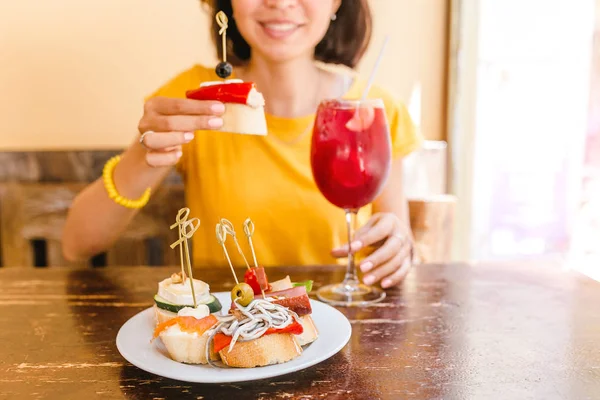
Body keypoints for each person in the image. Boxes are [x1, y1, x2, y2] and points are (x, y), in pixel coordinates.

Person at [62, 0, 423, 289]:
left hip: (344, 334)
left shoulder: (376, 111)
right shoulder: (195, 99)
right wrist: (145, 155)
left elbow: (395, 235)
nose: (280, 3)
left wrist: (399, 248)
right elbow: (77, 244)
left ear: (335, 4)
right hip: (229, 332)